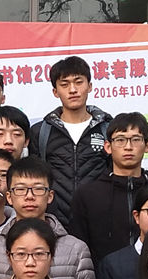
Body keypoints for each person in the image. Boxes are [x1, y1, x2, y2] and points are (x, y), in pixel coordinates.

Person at [28, 55, 112, 231]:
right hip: (54, 224)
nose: (72, 90)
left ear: (90, 86)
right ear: (55, 91)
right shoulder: (40, 131)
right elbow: (36, 179)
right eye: (64, 84)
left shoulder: (108, 128)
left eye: (78, 82)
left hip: (101, 222)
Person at [70, 112, 148, 263]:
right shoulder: (87, 195)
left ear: (147, 146)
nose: (128, 147)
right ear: (108, 147)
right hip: (102, 276)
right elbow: (79, 251)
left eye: (136, 139)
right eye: (120, 140)